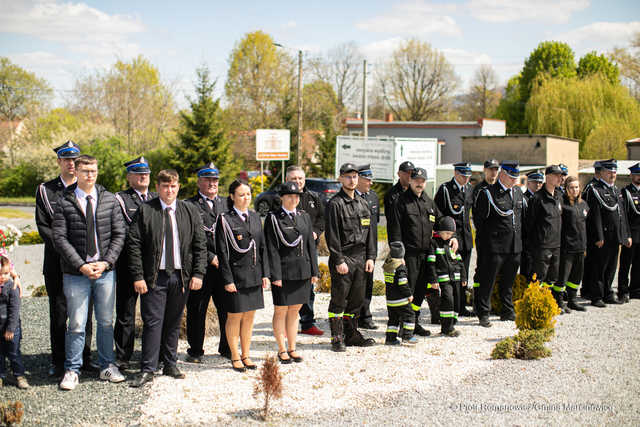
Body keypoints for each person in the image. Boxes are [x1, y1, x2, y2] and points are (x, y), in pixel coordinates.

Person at [53, 155, 126, 390]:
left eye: (93, 171)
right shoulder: (64, 201)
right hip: (76, 274)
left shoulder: (109, 199)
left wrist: (106, 263)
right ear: (77, 172)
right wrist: (81, 265)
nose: (89, 175)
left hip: (104, 272)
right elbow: (60, 238)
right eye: (85, 171)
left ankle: (107, 366)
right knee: (76, 323)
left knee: (105, 321)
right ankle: (72, 370)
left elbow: (119, 234)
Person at [128, 169, 207, 387]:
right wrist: (138, 276)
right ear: (158, 188)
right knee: (153, 323)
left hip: (180, 277)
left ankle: (170, 363)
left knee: (173, 322)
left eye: (173, 186)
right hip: (155, 277)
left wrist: (198, 273)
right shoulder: (146, 211)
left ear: (178, 187)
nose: (169, 190)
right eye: (165, 186)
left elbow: (200, 245)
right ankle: (148, 369)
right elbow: (133, 245)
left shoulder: (189, 211)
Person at [35, 141, 95, 378]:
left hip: (84, 261)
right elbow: (43, 227)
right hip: (57, 262)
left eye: (75, 160)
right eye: (67, 160)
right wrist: (69, 251)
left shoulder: (88, 189)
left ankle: (85, 358)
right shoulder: (46, 190)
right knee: (59, 312)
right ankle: (59, 361)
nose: (71, 164)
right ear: (59, 162)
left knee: (85, 312)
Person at [388, 167, 457, 333]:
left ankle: (414, 321)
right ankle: (403, 325)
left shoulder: (429, 202)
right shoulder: (400, 202)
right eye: (416, 180)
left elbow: (442, 222)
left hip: (426, 254)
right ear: (410, 181)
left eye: (422, 181)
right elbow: (394, 230)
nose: (419, 184)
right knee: (407, 290)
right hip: (409, 254)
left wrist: (454, 236)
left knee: (420, 291)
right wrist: (398, 255)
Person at [216, 180, 270, 371]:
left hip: (254, 274)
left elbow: (262, 247)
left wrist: (265, 273)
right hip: (236, 277)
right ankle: (235, 356)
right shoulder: (224, 219)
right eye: (241, 194)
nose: (245, 198)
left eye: (248, 194)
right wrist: (227, 279)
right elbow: (222, 253)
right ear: (232, 197)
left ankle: (246, 354)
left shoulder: (255, 217)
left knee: (249, 317)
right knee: (234, 317)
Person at [264, 182, 318, 363]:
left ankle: (292, 347)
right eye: (290, 196)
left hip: (302, 270)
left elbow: (311, 245)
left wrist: (314, 271)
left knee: (295, 311)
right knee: (281, 310)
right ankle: (281, 349)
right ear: (282, 198)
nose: (294, 199)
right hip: (284, 272)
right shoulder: (273, 218)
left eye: (297, 196)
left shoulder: (304, 217)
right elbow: (271, 249)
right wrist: (275, 275)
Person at [325, 163, 376, 352]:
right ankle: (337, 337)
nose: (352, 180)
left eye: (355, 176)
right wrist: (338, 260)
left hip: (361, 258)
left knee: (357, 300)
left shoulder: (363, 203)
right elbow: (332, 235)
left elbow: (370, 233)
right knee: (339, 299)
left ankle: (352, 334)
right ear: (340, 179)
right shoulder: (335, 204)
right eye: (348, 176)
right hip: (344, 258)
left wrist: (371, 257)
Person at [113, 156, 157, 370]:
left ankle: (150, 355)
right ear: (129, 177)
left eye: (146, 173)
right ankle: (123, 356)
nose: (143, 177)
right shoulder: (120, 199)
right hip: (128, 265)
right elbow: (123, 232)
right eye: (139, 173)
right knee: (125, 313)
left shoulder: (157, 198)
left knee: (153, 313)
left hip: (154, 266)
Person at [185, 163, 230, 363]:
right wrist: (211, 256)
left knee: (227, 310)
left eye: (215, 180)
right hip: (201, 267)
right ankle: (195, 350)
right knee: (197, 310)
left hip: (224, 268)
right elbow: (189, 238)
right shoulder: (189, 205)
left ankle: (227, 348)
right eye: (207, 179)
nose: (212, 184)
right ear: (199, 181)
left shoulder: (227, 204)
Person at [473, 161, 525, 327]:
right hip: (495, 247)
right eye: (510, 177)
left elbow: (519, 218)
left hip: (514, 246)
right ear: (502, 175)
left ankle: (507, 310)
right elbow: (480, 222)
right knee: (488, 281)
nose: (513, 181)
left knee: (508, 282)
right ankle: (483, 313)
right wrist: (487, 245)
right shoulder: (488, 193)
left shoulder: (517, 192)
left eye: (515, 178)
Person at [585, 160, 631, 307]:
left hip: (615, 236)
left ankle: (607, 293)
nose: (613, 175)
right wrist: (599, 236)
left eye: (614, 172)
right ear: (602, 172)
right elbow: (595, 216)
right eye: (610, 172)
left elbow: (622, 215)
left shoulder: (617, 190)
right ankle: (596, 296)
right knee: (599, 267)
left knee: (611, 267)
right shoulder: (595, 190)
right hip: (603, 236)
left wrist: (626, 234)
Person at [286, 166, 324, 336]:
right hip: (287, 253)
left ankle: (308, 323)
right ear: (287, 180)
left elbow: (322, 219)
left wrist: (316, 232)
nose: (298, 182)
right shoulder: (280, 198)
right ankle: (286, 325)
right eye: (294, 179)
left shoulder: (314, 198)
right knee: (287, 288)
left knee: (309, 288)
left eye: (300, 178)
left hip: (309, 252)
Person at [434, 162, 473, 317]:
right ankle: (451, 307)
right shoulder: (446, 189)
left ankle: (462, 305)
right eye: (463, 175)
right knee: (450, 275)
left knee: (463, 275)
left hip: (466, 238)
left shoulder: (470, 189)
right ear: (456, 173)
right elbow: (439, 215)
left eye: (468, 176)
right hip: (450, 239)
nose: (466, 178)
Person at [526, 165, 566, 312]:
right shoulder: (537, 198)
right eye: (557, 175)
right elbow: (530, 224)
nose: (560, 178)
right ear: (548, 177)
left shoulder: (559, 196)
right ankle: (533, 306)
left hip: (556, 245)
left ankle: (546, 305)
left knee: (551, 279)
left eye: (561, 176)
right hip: (541, 246)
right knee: (538, 279)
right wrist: (531, 246)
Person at [426, 217, 466, 337]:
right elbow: (431, 263)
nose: (449, 236)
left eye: (451, 234)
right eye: (446, 233)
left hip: (456, 278)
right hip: (444, 279)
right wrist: (433, 279)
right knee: (447, 300)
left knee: (457, 301)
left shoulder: (451, 243)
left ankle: (452, 322)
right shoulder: (434, 243)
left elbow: (460, 261)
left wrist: (464, 278)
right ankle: (446, 327)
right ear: (440, 231)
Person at [470, 159, 500, 302]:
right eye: (490, 169)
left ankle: (493, 300)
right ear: (484, 170)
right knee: (481, 269)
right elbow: (476, 216)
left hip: (499, 239)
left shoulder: (500, 188)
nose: (493, 172)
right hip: (484, 237)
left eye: (495, 169)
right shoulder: (479, 189)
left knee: (496, 270)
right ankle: (477, 300)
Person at [356, 164, 380, 329]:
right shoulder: (350, 197)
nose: (370, 183)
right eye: (367, 179)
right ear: (359, 179)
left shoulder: (373, 197)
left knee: (368, 283)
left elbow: (375, 222)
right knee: (355, 284)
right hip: (355, 248)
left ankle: (366, 315)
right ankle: (353, 316)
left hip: (370, 248)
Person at [559, 176, 588, 312]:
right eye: (571, 187)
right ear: (566, 189)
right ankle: (559, 301)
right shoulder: (563, 205)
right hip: (567, 247)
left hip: (580, 246)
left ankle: (572, 300)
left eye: (576, 187)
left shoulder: (583, 204)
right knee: (563, 276)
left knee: (577, 276)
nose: (574, 190)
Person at [0, 256, 28, 389]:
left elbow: (14, 310)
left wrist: (10, 329)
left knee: (14, 353)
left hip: (12, 328)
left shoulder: (12, 287)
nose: (3, 277)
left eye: (6, 274)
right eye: (0, 274)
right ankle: (1, 375)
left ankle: (19, 375)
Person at [382, 242, 415, 346]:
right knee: (410, 315)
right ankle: (408, 336)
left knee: (393, 319)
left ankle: (390, 339)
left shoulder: (388, 266)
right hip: (401, 300)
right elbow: (402, 283)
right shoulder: (400, 268)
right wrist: (409, 295)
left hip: (390, 300)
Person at [580, 160, 603, 301]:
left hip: (596, 229)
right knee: (590, 261)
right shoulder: (591, 187)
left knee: (594, 261)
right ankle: (586, 288)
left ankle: (588, 288)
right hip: (590, 230)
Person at [618, 163, 640, 303]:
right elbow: (623, 216)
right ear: (631, 175)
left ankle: (636, 290)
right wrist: (626, 235)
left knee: (639, 264)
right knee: (626, 264)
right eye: (637, 174)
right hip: (631, 234)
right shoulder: (626, 192)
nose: (639, 177)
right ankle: (623, 291)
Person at [521, 170, 544, 279]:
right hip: (527, 241)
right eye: (535, 182)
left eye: (540, 182)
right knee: (527, 270)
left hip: (540, 241)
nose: (538, 185)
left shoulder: (543, 198)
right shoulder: (523, 199)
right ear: (528, 183)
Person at [384, 161, 415, 237]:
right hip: (399, 236)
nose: (409, 176)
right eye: (406, 173)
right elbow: (392, 220)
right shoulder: (391, 194)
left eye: (411, 173)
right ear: (399, 174)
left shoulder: (416, 192)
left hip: (414, 237)